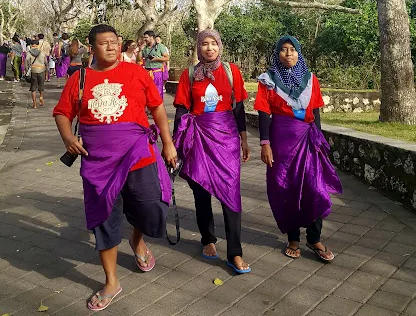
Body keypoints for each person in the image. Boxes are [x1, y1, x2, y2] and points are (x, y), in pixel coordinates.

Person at [53, 24, 177, 312]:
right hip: (98, 162)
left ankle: (137, 241)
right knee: (103, 219)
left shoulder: (136, 73)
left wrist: (168, 143)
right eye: (104, 43)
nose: (111, 47)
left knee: (151, 206)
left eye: (114, 42)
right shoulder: (79, 78)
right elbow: (62, 112)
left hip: (138, 154)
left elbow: (157, 107)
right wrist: (68, 138)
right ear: (91, 48)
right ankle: (111, 281)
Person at [254, 35, 342, 262]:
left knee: (315, 187)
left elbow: (317, 111)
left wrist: (320, 140)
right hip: (282, 141)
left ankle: (314, 238)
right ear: (277, 54)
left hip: (308, 139)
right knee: (287, 188)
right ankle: (293, 239)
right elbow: (264, 112)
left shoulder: (311, 79)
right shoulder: (268, 80)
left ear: (298, 53)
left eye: (292, 49)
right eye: (283, 49)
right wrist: (265, 144)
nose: (288, 53)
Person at [173, 29, 251, 274]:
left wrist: (244, 139)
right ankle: (207, 238)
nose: (209, 48)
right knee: (201, 190)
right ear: (198, 47)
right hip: (198, 137)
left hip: (226, 138)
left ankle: (235, 253)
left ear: (220, 46)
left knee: (231, 192)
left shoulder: (231, 72)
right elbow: (181, 111)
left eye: (213, 44)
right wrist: (175, 145)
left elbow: (238, 109)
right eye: (204, 44)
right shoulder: (189, 75)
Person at [138, 31, 169, 100]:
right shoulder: (145, 48)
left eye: (146, 37)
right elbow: (138, 59)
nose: (145, 39)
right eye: (144, 37)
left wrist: (156, 59)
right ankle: (149, 108)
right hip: (147, 72)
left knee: (157, 91)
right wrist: (140, 50)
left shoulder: (160, 46)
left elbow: (167, 57)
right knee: (147, 90)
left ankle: (158, 108)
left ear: (151, 37)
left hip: (156, 72)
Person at [27, 39, 47, 108]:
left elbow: (27, 61)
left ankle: (34, 104)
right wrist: (47, 72)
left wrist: (27, 70)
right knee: (41, 86)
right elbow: (46, 62)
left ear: (31, 45)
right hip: (41, 70)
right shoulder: (42, 52)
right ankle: (41, 96)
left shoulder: (29, 53)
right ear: (38, 45)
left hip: (33, 70)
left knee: (33, 88)